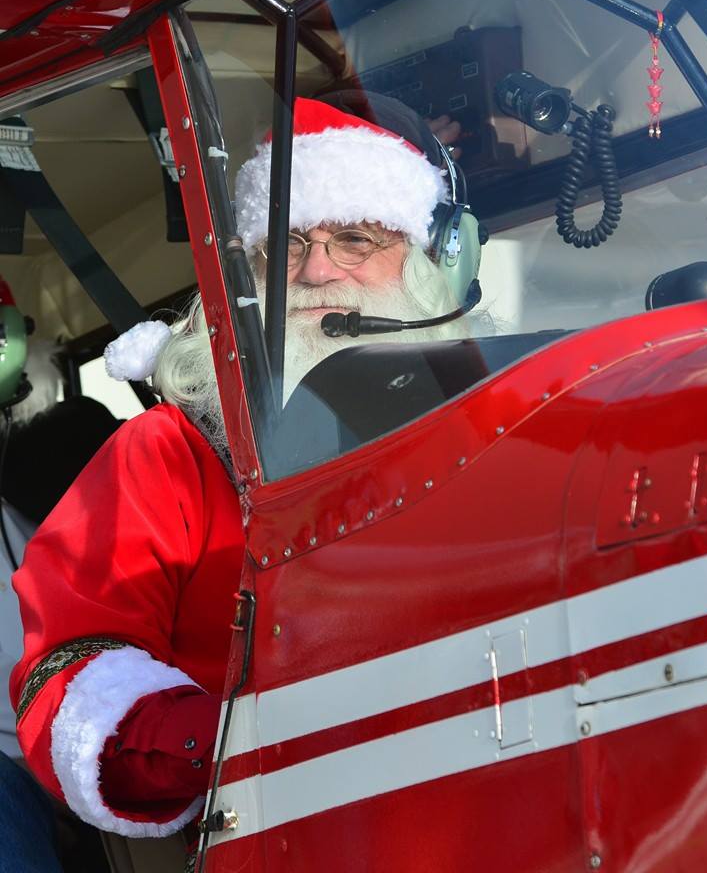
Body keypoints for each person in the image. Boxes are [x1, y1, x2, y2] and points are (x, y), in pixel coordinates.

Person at [9, 95, 470, 842]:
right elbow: (69, 669)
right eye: (286, 244)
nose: (317, 270)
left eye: (354, 238)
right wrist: (229, 736)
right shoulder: (168, 451)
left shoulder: (489, 427)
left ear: (423, 259)